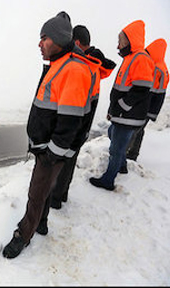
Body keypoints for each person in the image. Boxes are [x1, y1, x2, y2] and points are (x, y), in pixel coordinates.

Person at [2, 12, 101, 259]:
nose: (39, 44)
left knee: (36, 194)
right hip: (46, 147)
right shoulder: (60, 64)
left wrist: (50, 154)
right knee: (44, 188)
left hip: (51, 151)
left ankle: (23, 235)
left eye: (43, 38)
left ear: (57, 38)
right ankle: (42, 223)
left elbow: (70, 121)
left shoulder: (74, 69)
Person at [50, 25, 116, 209]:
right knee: (70, 162)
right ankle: (62, 194)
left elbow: (76, 100)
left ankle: (55, 199)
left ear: (77, 42)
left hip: (76, 124)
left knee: (63, 162)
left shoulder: (85, 65)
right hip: (83, 124)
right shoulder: (93, 64)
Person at [89, 20, 155, 191]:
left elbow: (142, 89)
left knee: (116, 148)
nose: (118, 45)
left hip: (128, 116)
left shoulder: (140, 59)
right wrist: (114, 110)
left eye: (121, 40)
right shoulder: (131, 58)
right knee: (112, 134)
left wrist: (123, 106)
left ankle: (108, 180)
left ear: (130, 40)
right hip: (123, 114)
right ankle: (122, 165)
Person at [124, 38, 170, 165]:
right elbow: (160, 94)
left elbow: (148, 90)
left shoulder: (156, 68)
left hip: (144, 107)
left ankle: (124, 154)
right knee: (139, 130)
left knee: (133, 130)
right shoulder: (163, 69)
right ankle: (133, 153)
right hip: (149, 108)